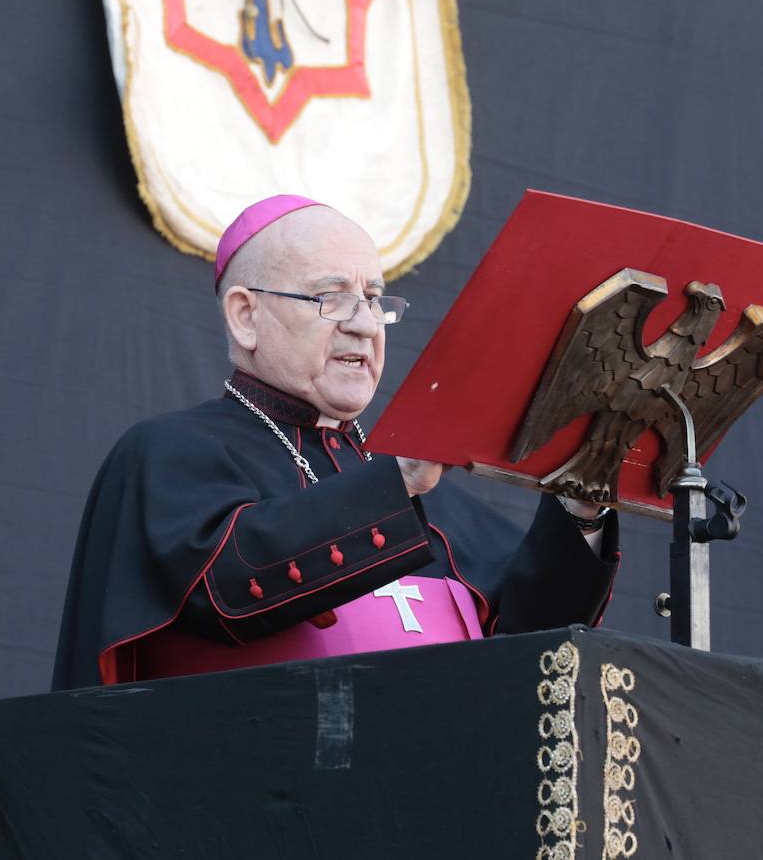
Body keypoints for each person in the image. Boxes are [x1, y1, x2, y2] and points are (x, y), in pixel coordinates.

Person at [52, 195, 621, 689]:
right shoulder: (168, 453)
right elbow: (227, 587)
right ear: (246, 316)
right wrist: (395, 486)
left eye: (375, 299)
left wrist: (582, 506)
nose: (366, 325)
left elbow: (530, 649)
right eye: (333, 297)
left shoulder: (414, 483)